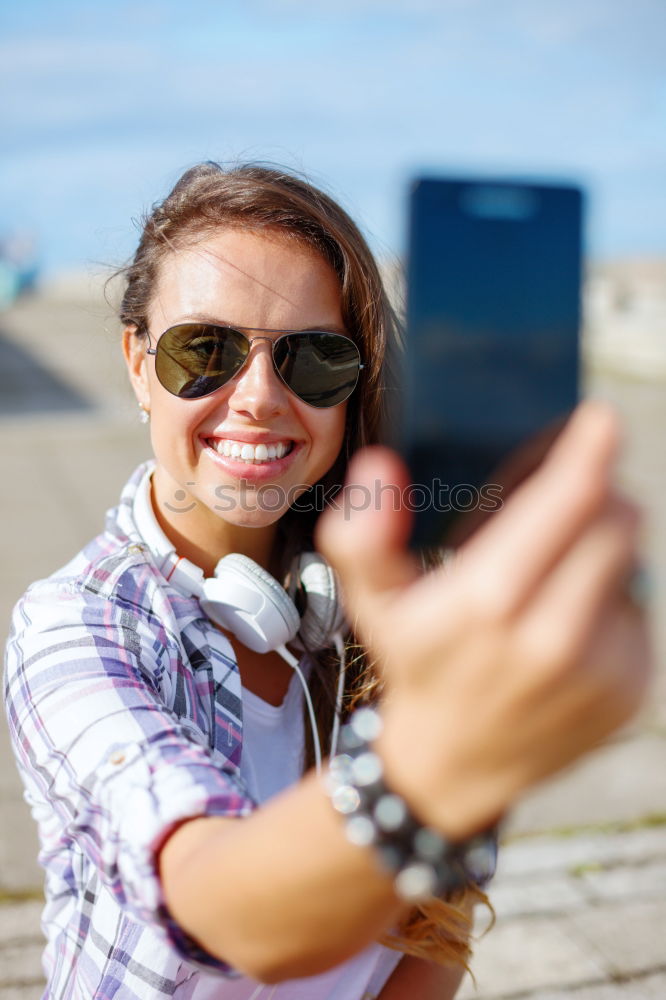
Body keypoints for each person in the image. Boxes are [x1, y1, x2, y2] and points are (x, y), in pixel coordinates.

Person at [3, 162, 650, 1000]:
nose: (261, 398)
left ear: (355, 387)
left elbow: (434, 935)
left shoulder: (393, 606)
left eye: (314, 360)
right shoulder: (73, 628)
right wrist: (434, 762)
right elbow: (219, 912)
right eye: (206, 350)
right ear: (137, 361)